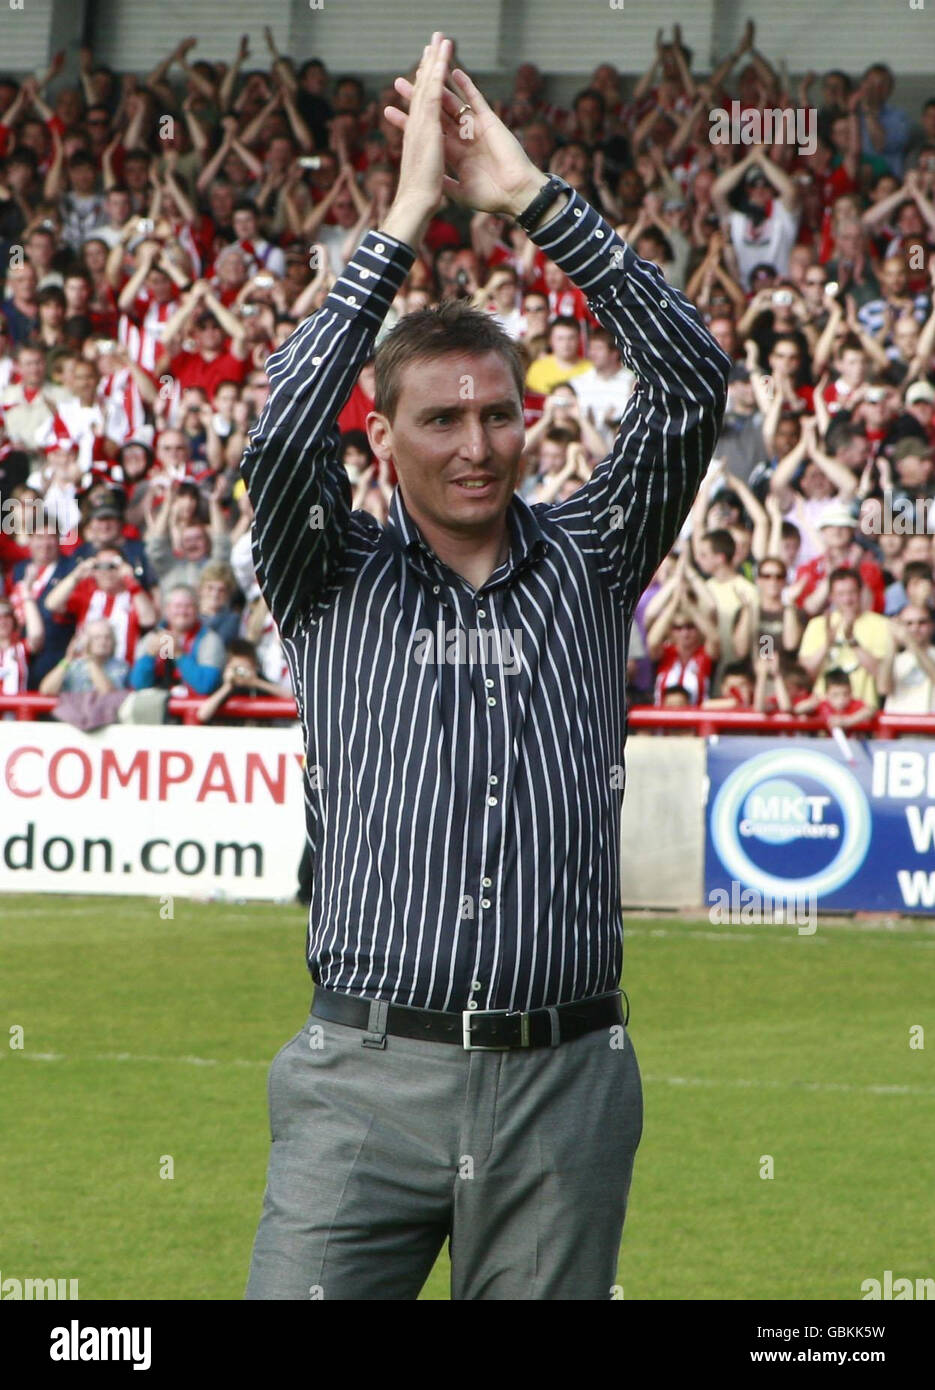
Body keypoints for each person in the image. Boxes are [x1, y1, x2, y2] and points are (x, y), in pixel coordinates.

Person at [241, 33, 729, 1302]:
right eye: (441, 418)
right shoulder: (328, 570)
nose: (477, 444)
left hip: (563, 1089)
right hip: (362, 1080)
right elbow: (278, 427)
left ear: (530, 416)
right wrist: (402, 215)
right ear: (385, 434)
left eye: (499, 412)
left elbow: (688, 383)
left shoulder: (591, 552)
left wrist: (527, 198)